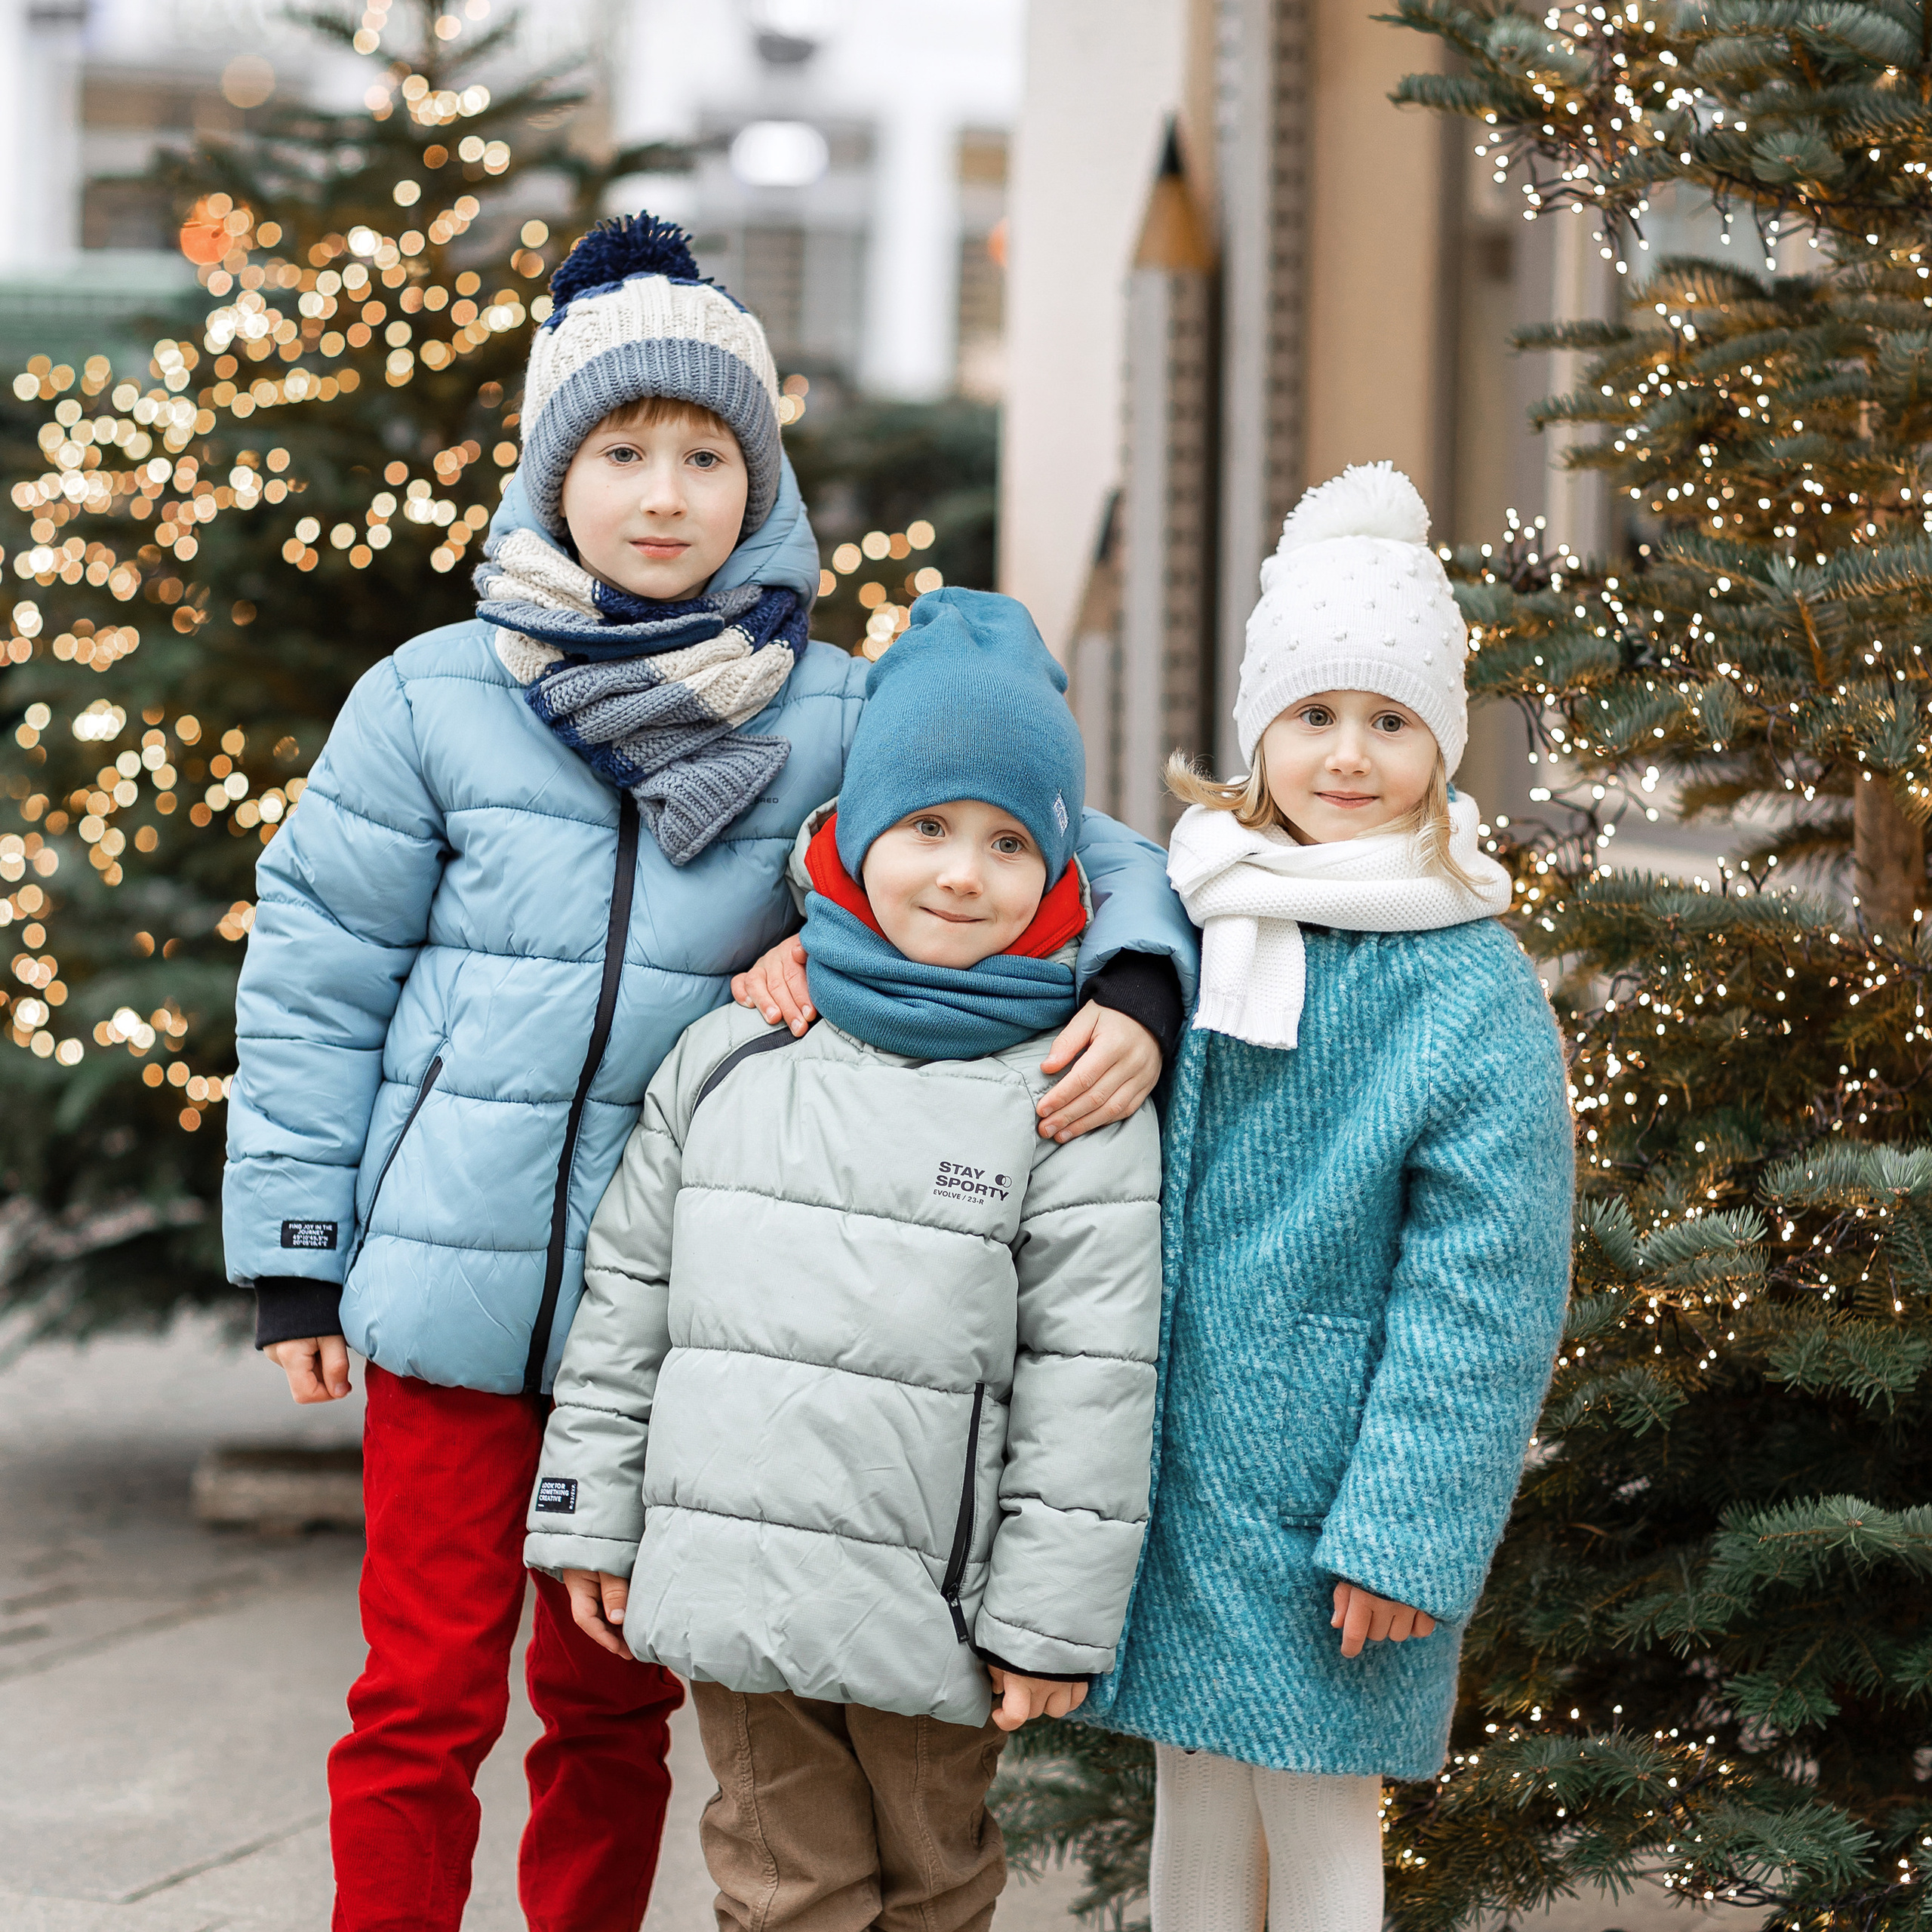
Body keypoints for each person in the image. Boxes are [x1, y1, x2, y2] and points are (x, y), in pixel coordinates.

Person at [222, 213, 1195, 1932]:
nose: (662, 495)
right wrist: (298, 1249)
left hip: (683, 1314)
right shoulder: (431, 699)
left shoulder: (831, 713)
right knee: (421, 1696)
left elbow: (1069, 833)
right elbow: (315, 975)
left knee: (611, 1701)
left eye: (704, 456)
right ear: (553, 471)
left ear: (761, 485)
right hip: (448, 1289)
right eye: (620, 453)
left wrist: (1133, 976)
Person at [525, 587, 1173, 1932]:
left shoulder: (1071, 1093)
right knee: (784, 1888)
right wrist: (588, 1512)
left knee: (935, 1889)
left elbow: (1092, 1374)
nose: (960, 874)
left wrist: (1049, 1620)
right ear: (854, 832)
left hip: (934, 1608)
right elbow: (627, 1305)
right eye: (926, 827)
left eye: (1008, 842)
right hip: (735, 1584)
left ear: (1060, 868)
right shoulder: (734, 1052)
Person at [1085, 463, 1574, 1932]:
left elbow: (1486, 1283)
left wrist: (1406, 1526)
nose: (1347, 754)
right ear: (1259, 730)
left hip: (1330, 1493)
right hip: (1171, 1467)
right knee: (1192, 1792)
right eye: (1312, 715)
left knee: (1312, 1810)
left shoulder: (1466, 981)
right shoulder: (1194, 908)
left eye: (1388, 720)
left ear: (1441, 741)